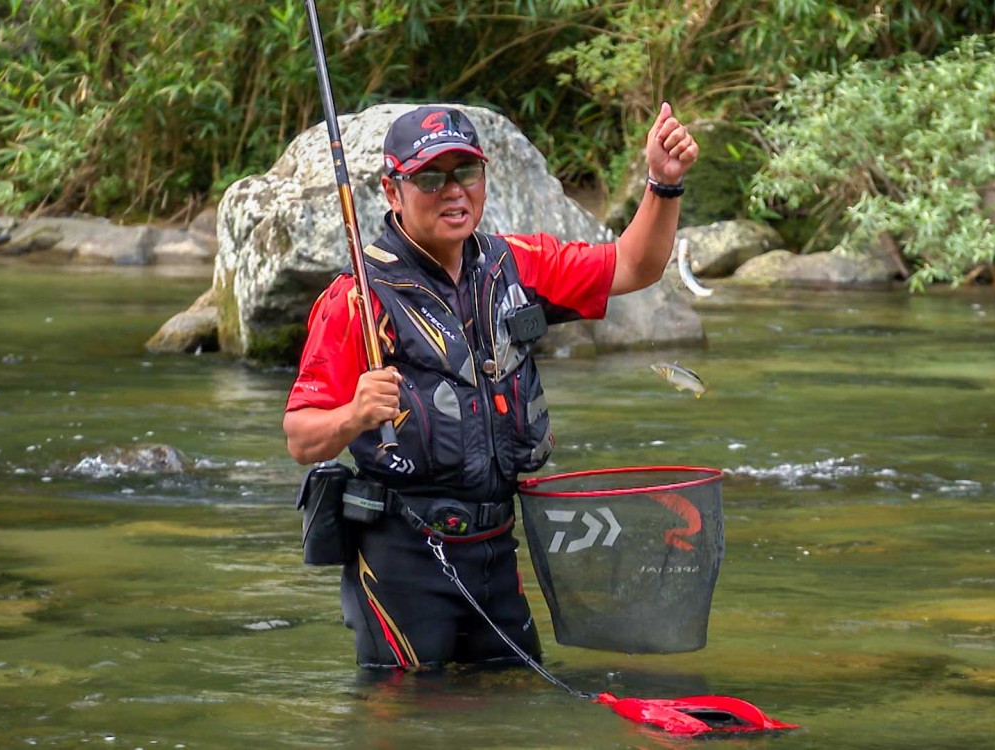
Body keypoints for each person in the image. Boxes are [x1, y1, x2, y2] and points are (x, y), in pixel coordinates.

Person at [283, 103, 698, 670]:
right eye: (430, 177)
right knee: (408, 717)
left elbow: (635, 265)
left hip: (496, 551)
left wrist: (663, 185)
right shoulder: (356, 299)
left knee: (510, 707)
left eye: (467, 173)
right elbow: (301, 438)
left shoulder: (518, 265)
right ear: (392, 190)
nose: (453, 192)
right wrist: (351, 415)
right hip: (401, 556)